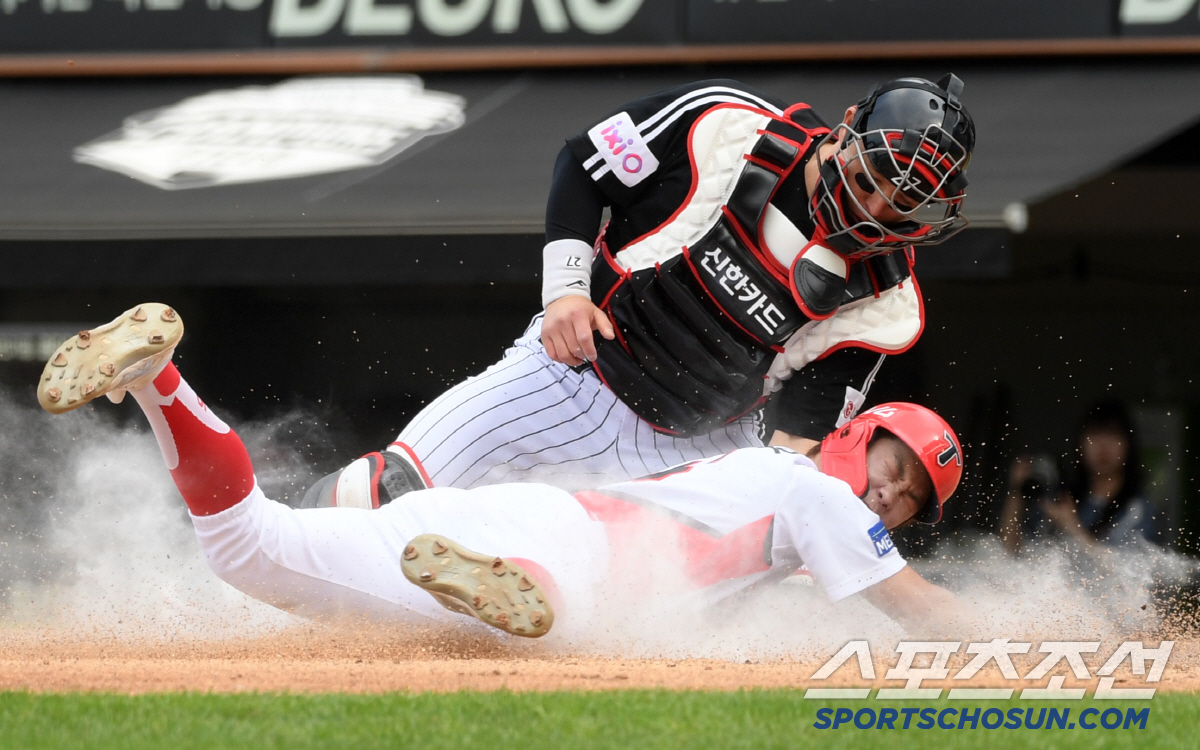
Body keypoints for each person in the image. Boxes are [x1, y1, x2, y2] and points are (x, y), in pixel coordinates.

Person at [38, 304, 967, 637]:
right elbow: (921, 611)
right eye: (893, 467)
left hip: (528, 515)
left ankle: (159, 380)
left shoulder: (753, 466)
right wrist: (1045, 635)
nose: (888, 494)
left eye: (909, 498)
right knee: (566, 623)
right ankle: (507, 594)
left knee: (247, 547)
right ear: (859, 433)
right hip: (574, 558)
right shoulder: (813, 497)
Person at [303, 75, 977, 508]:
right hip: (574, 372)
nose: (880, 204)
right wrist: (565, 293)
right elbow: (584, 165)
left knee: (631, 598)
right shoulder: (727, 124)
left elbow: (796, 441)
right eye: (877, 174)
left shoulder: (888, 307)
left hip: (696, 450)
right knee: (380, 493)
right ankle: (248, 571)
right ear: (848, 126)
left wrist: (761, 526)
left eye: (908, 199)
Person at [1043, 400, 1157, 548]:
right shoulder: (1064, 500)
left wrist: (1072, 527)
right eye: (1095, 434)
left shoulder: (1137, 509)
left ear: (1128, 445)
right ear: (1080, 444)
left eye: (1113, 434)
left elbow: (1125, 569)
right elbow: (1014, 558)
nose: (1103, 446)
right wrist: (1016, 495)